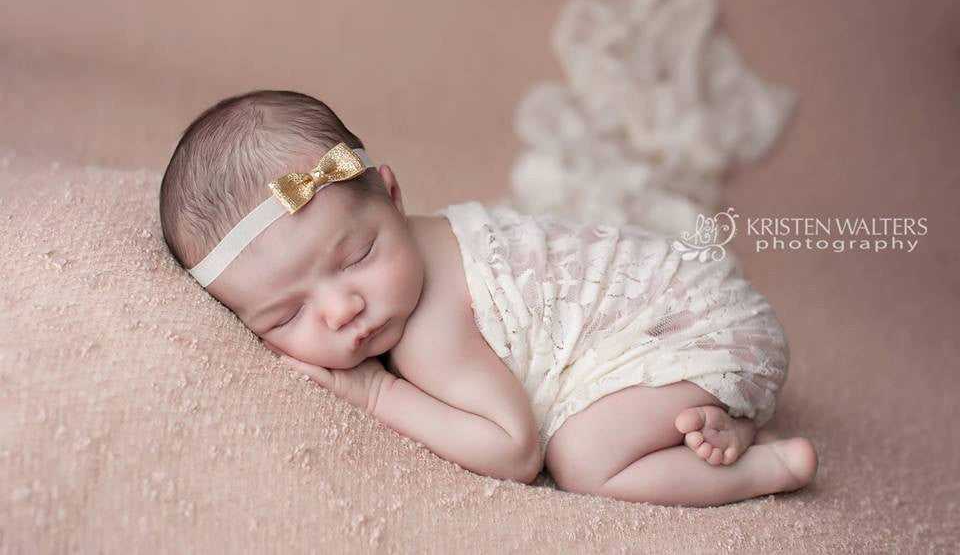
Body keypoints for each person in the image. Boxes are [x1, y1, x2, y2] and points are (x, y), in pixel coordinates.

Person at [159, 89, 817, 507]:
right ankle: (722, 419)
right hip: (692, 311)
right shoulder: (410, 254)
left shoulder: (429, 328)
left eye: (357, 257)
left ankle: (768, 468)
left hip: (699, 328)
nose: (341, 309)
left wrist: (377, 394)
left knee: (583, 459)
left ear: (393, 197)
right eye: (288, 314)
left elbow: (514, 451)